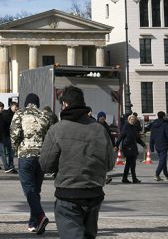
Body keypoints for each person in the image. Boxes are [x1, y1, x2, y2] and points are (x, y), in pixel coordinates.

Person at [40, 86, 114, 239]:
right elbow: (110, 164)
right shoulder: (99, 129)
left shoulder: (57, 130)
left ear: (65, 104)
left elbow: (46, 164)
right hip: (94, 193)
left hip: (68, 193)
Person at [12, 92, 55, 234]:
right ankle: (33, 222)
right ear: (37, 103)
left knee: (29, 190)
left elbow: (14, 134)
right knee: (36, 190)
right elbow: (50, 136)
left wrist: (16, 149)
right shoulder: (45, 115)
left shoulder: (20, 113)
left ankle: (41, 216)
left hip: (26, 155)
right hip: (41, 156)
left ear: (26, 102)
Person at [116, 114, 145, 184]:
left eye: (134, 120)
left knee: (130, 164)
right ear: (128, 120)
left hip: (133, 147)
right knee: (131, 163)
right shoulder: (126, 127)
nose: (132, 121)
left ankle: (125, 178)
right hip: (127, 147)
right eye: (131, 119)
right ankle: (132, 179)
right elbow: (120, 137)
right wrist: (116, 145)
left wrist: (143, 145)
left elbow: (137, 138)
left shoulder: (134, 127)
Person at [148, 111, 168, 181]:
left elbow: (152, 136)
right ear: (163, 116)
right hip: (164, 144)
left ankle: (167, 175)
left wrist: (151, 147)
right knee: (162, 160)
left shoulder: (153, 125)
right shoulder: (165, 125)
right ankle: (157, 174)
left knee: (163, 160)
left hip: (157, 144)